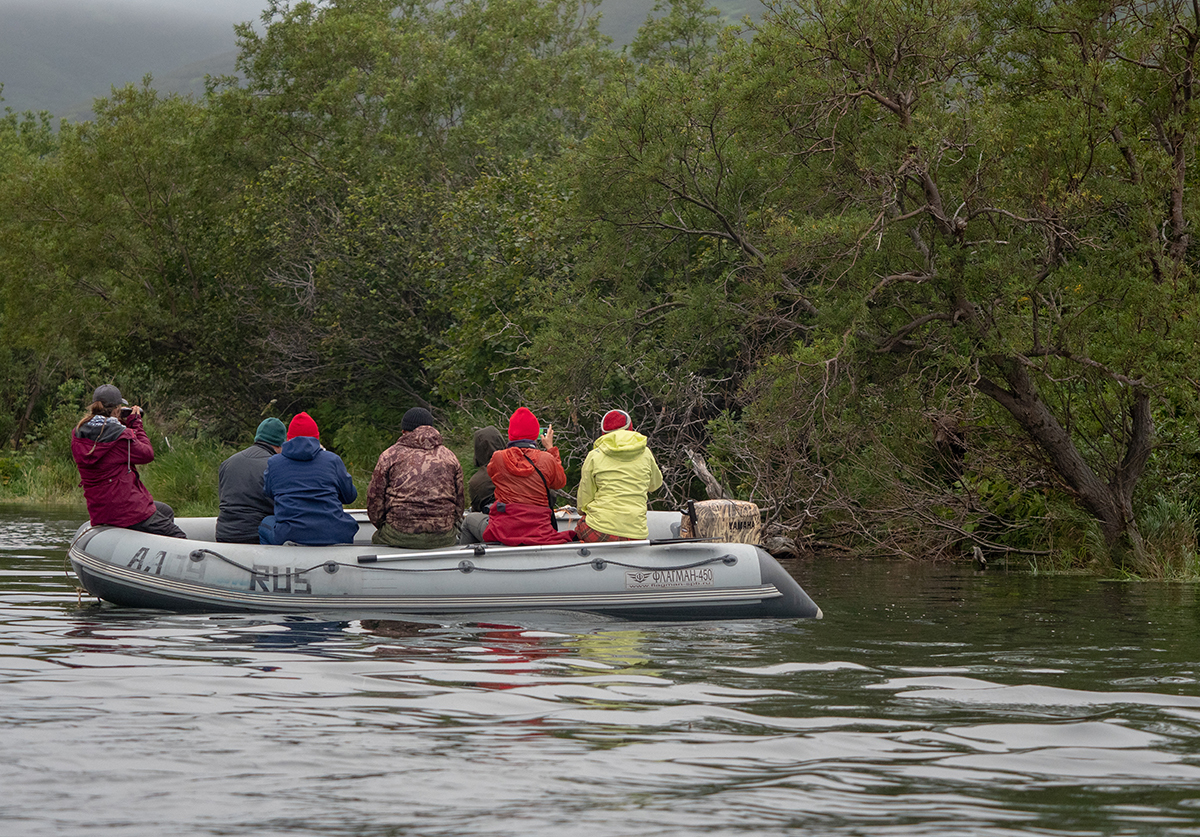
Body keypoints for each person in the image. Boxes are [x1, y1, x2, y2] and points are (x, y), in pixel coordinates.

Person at [71, 384, 186, 538]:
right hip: (126, 509)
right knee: (178, 537)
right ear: (117, 409)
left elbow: (106, 436)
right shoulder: (120, 436)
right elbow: (147, 454)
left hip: (101, 510)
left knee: (165, 511)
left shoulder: (79, 432)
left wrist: (122, 423)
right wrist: (136, 423)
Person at [367, 407, 464, 548]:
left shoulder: (389, 455)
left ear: (404, 431)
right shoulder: (450, 456)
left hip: (398, 535)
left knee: (376, 539)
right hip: (443, 537)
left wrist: (385, 525)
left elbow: (374, 500)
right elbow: (460, 501)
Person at [259, 412, 358, 545]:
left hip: (291, 534)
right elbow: (350, 496)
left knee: (265, 523)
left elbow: (269, 493)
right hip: (334, 532)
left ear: (288, 439)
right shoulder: (332, 460)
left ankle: (273, 561)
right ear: (316, 439)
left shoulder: (274, 463)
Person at [481, 407, 574, 546]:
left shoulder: (498, 458)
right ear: (536, 434)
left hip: (504, 531)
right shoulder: (547, 459)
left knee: (471, 521)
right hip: (539, 531)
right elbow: (559, 482)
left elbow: (492, 474)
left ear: (510, 434)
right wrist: (550, 449)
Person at [575, 409, 663, 542]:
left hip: (600, 529)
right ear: (631, 428)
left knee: (580, 528)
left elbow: (583, 501)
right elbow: (655, 484)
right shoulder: (646, 453)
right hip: (636, 533)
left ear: (603, 433)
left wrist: (584, 512)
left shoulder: (594, 455)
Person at [215, 417, 287, 544]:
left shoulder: (227, 463)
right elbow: (281, 507)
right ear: (281, 444)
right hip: (254, 536)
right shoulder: (274, 467)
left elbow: (223, 497)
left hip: (223, 533)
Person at [459, 425, 505, 544]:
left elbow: (477, 510)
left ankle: (466, 558)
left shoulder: (477, 480)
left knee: (469, 520)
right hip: (523, 524)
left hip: (497, 529)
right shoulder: (519, 465)